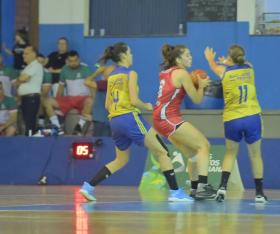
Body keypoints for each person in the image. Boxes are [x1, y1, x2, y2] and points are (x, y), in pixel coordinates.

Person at [80, 42, 193, 202]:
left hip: (114, 120)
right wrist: (146, 105)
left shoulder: (112, 76)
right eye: (130, 52)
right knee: (162, 151)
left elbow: (107, 105)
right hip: (129, 118)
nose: (132, 55)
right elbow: (134, 100)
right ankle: (175, 192)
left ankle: (88, 187)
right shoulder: (130, 73)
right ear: (124, 55)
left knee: (121, 160)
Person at [204, 44, 267, 203]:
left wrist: (212, 59)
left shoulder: (223, 71)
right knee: (255, 155)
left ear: (229, 57)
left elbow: (213, 66)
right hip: (252, 116)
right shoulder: (250, 69)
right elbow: (244, 63)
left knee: (230, 154)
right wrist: (229, 60)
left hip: (232, 119)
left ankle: (222, 188)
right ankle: (259, 193)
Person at [153, 44, 216, 200]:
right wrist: (200, 86)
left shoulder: (166, 72)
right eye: (188, 55)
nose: (191, 57)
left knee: (193, 154)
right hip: (168, 117)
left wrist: (194, 83)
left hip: (160, 119)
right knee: (204, 145)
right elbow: (197, 99)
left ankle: (194, 188)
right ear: (178, 58)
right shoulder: (182, 73)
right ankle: (202, 186)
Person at [43, 50, 93, 135]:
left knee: (90, 101)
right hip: (69, 99)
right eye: (71, 61)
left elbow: (92, 87)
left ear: (79, 60)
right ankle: (57, 127)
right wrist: (58, 100)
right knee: (47, 101)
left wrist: (93, 100)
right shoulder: (64, 70)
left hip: (82, 99)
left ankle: (79, 127)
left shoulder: (86, 69)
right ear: (67, 61)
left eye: (75, 60)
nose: (73, 63)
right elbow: (61, 88)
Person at [17, 46, 43, 136]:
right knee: (28, 125)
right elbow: (19, 81)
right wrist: (20, 79)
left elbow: (23, 78)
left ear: (34, 54)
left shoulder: (36, 65)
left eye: (26, 53)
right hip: (26, 99)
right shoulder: (28, 67)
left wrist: (20, 79)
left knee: (30, 126)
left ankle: (31, 146)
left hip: (31, 99)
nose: (23, 55)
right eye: (23, 53)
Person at [84, 64, 114, 136]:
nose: (104, 73)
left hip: (101, 120)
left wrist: (97, 72)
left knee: (100, 143)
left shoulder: (104, 84)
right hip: (110, 119)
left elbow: (86, 82)